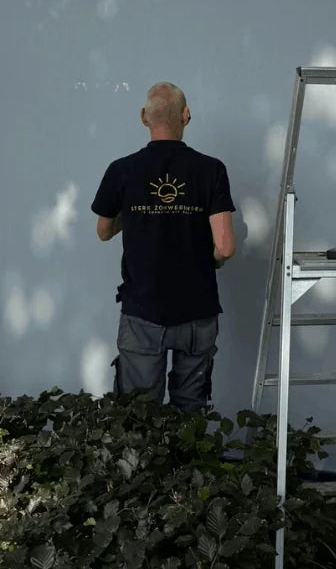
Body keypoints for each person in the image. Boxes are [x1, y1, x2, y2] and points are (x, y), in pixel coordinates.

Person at [91, 82, 236, 411]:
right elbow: (225, 246)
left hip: (143, 311)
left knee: (139, 414)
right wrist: (211, 259)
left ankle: (144, 464)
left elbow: (103, 231)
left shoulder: (122, 170)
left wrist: (136, 208)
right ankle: (188, 464)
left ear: (144, 117)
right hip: (197, 312)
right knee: (190, 414)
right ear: (186, 115)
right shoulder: (211, 170)